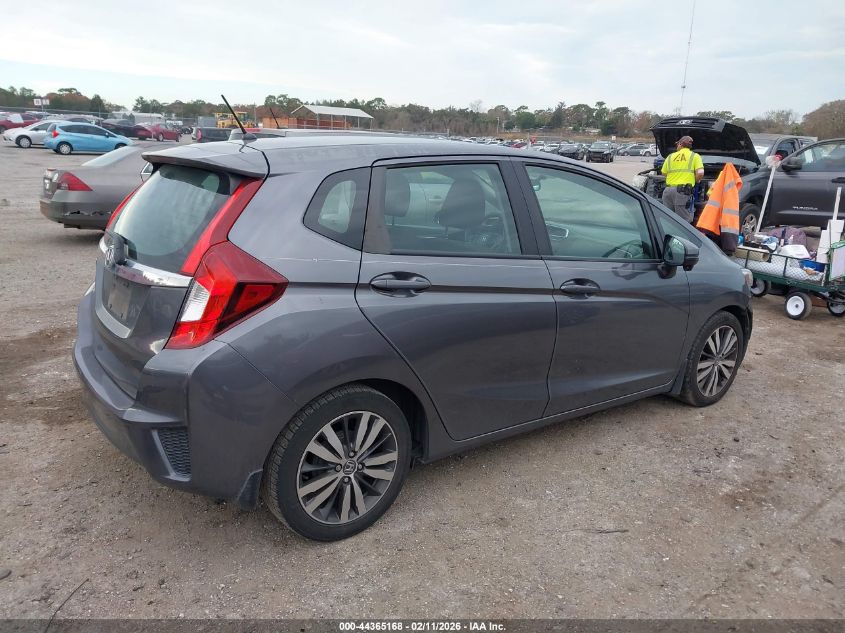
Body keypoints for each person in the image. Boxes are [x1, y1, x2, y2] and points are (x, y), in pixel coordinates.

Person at [661, 135, 704, 222]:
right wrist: (695, 180)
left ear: (680, 144)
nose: (676, 146)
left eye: (677, 144)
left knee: (668, 220)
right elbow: (700, 173)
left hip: (668, 191)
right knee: (684, 221)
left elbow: (664, 172)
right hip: (682, 193)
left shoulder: (670, 156)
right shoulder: (694, 156)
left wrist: (674, 177)